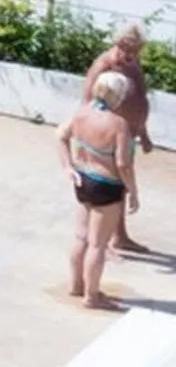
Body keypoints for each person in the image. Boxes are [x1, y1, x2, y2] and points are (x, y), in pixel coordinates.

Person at [61, 70, 139, 309]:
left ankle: (76, 285)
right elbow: (123, 164)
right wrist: (133, 191)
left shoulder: (82, 112)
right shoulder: (118, 124)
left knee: (81, 238)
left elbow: (60, 136)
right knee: (97, 244)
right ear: (118, 95)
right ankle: (92, 296)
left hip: (83, 180)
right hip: (107, 185)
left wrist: (68, 166)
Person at [83, 24, 156, 253]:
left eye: (137, 51)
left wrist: (143, 133)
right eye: (129, 50)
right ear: (120, 44)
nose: (133, 55)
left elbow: (140, 97)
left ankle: (119, 236)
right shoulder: (104, 65)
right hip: (110, 137)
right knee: (111, 188)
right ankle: (103, 240)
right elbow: (87, 102)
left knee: (120, 188)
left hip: (130, 134)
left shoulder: (132, 63)